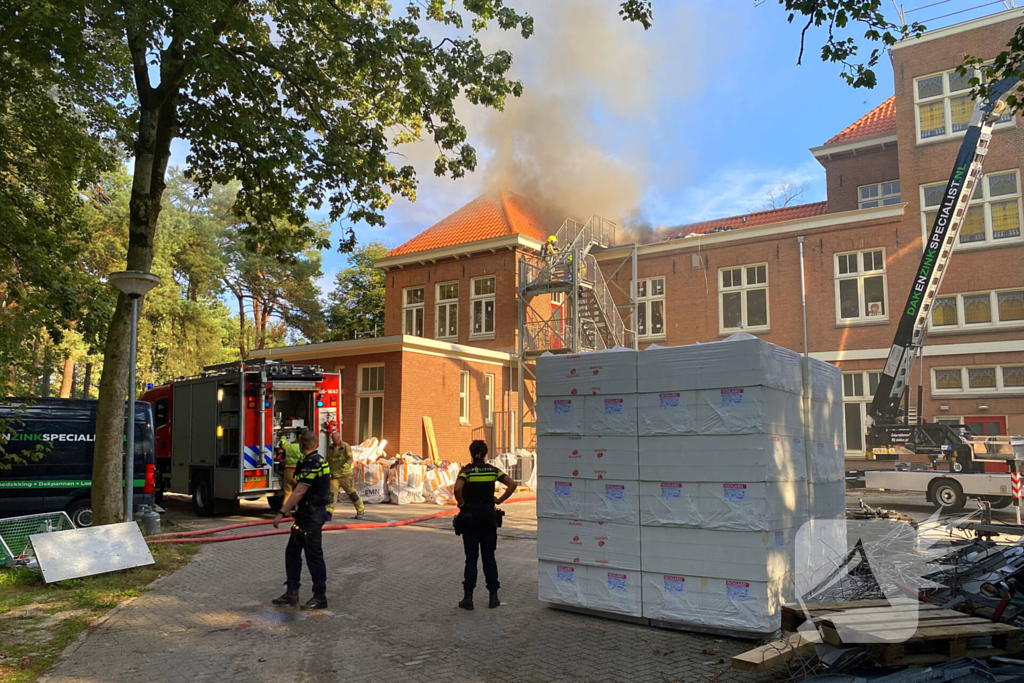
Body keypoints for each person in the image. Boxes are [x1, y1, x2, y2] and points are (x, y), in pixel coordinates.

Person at [271, 430, 332, 610]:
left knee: (314, 556)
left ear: (301, 445)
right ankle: (292, 593)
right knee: (292, 553)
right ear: (315, 444)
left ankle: (320, 596)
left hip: (312, 517)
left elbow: (299, 491)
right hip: (306, 515)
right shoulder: (319, 460)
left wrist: (282, 512)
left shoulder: (311, 464)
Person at [453, 440, 517, 610]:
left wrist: (461, 504)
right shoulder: (492, 470)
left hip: (470, 518)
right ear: (486, 453)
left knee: (471, 559)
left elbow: (457, 488)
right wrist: (499, 500)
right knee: (489, 557)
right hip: (488, 517)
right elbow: (512, 484)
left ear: (470, 453)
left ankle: (468, 599)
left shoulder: (466, 471)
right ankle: (493, 597)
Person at [325, 429, 365, 519]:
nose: (333, 441)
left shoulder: (345, 446)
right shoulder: (330, 447)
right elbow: (328, 460)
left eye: (334, 439)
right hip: (334, 476)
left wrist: (344, 467)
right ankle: (328, 512)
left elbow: (350, 459)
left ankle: (360, 510)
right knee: (331, 495)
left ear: (339, 438)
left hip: (345, 476)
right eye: (332, 439)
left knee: (352, 493)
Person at [279, 436, 302, 501]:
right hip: (297, 472)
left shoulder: (289, 446)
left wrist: (283, 437)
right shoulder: (302, 448)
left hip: (288, 471)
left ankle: (285, 510)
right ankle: (297, 509)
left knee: (287, 493)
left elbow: (283, 444)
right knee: (297, 493)